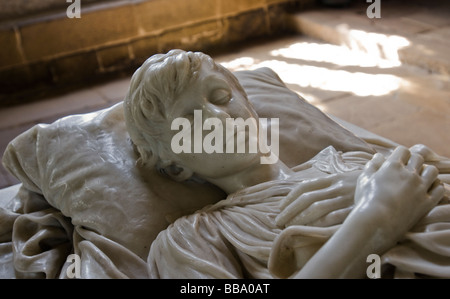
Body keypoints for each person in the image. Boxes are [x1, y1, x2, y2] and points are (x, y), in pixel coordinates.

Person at [124, 49, 448, 278]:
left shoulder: (356, 165)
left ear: (251, 109)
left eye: (222, 97)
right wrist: (376, 217)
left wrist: (374, 183)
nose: (219, 117)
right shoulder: (192, 238)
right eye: (191, 119)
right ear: (176, 166)